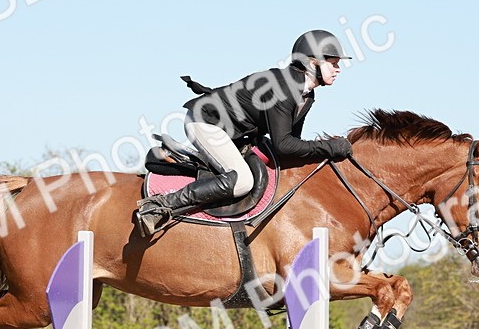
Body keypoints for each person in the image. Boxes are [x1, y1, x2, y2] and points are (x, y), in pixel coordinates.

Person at [134, 29, 355, 238]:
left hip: (233, 132)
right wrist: (330, 147)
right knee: (241, 181)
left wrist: (327, 150)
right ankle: (159, 206)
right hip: (206, 122)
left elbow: (292, 143)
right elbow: (284, 145)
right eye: (333, 63)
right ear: (312, 62)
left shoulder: (306, 95)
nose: (338, 69)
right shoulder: (285, 88)